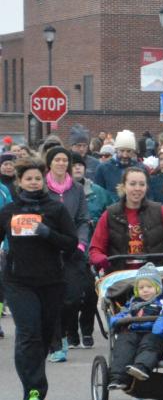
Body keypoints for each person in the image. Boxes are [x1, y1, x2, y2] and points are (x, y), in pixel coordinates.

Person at [0, 158, 80, 400]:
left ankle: (32, 372)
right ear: (20, 182)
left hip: (51, 282)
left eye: (37, 178)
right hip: (18, 281)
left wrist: (48, 233)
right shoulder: (9, 211)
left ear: (42, 181)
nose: (33, 183)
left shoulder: (55, 210)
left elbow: (70, 242)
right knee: (28, 332)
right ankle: (33, 390)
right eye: (28, 179)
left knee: (44, 336)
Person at [41, 145, 94, 359]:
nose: (62, 163)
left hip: (72, 250)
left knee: (72, 297)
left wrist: (81, 244)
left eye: (65, 160)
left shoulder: (77, 189)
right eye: (57, 160)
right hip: (47, 251)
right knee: (52, 298)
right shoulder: (42, 187)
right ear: (50, 163)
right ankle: (57, 342)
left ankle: (61, 332)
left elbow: (83, 219)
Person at [106, 263, 163, 388]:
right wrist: (118, 319)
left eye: (149, 286)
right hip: (133, 331)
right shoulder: (133, 303)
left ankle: (141, 368)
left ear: (158, 287)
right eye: (141, 287)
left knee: (150, 345)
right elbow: (123, 314)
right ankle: (117, 377)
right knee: (123, 345)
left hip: (154, 333)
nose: (145, 290)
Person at [89, 165, 163, 268]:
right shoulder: (110, 214)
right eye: (132, 184)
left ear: (147, 187)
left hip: (154, 276)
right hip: (120, 277)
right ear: (123, 186)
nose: (137, 188)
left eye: (142, 184)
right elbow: (95, 249)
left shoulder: (160, 211)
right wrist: (101, 259)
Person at [94, 130, 137, 203]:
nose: (125, 155)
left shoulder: (140, 168)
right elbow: (99, 196)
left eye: (128, 151)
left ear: (133, 152)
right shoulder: (103, 168)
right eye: (122, 151)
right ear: (116, 150)